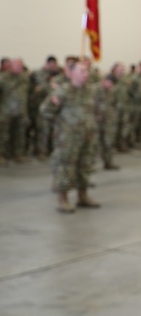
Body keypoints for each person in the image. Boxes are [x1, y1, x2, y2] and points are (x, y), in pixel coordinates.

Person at [41, 59, 100, 213]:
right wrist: (61, 125)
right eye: (82, 71)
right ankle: (63, 199)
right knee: (65, 166)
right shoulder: (63, 91)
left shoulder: (90, 91)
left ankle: (83, 196)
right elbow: (46, 110)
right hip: (68, 138)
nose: (86, 74)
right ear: (72, 73)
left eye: (87, 71)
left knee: (85, 164)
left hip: (87, 135)